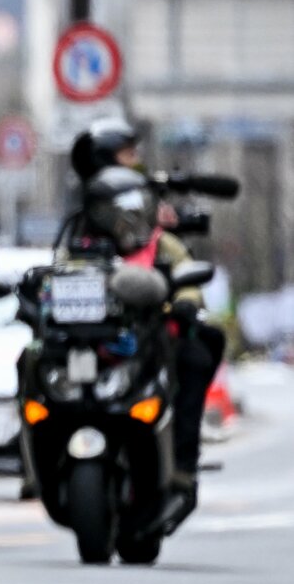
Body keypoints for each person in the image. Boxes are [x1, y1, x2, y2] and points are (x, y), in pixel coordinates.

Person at [75, 166, 225, 536]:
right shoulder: (81, 247)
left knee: (197, 355)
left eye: (131, 210)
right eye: (112, 213)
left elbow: (188, 273)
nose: (123, 222)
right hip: (94, 346)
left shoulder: (163, 244)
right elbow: (56, 278)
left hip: (155, 343)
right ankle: (34, 466)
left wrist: (187, 302)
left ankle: (182, 466)